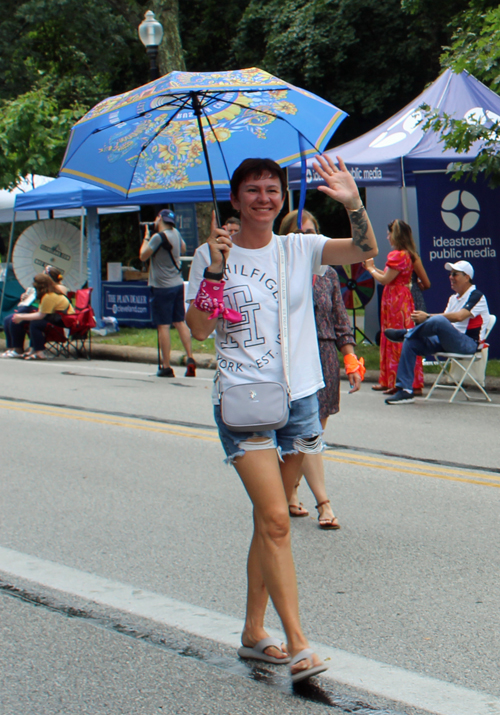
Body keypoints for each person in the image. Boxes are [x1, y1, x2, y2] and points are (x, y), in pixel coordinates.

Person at [186, 155, 377, 682]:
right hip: (245, 401)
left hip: (300, 401)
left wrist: (350, 200)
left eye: (273, 189)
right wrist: (217, 270)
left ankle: (253, 632)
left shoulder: (300, 248)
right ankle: (298, 644)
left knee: (267, 522)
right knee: (275, 519)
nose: (264, 198)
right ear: (235, 198)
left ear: (283, 198)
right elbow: (199, 328)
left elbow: (364, 250)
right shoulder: (209, 254)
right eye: (253, 189)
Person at [279, 209, 363, 530]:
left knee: (312, 436)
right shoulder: (281, 268)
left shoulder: (329, 273)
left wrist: (351, 360)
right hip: (296, 357)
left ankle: (290, 489)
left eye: (313, 231)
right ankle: (324, 502)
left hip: (325, 355)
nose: (307, 237)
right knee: (307, 433)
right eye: (300, 232)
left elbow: (341, 320)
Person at [384, 260, 490, 404]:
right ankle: (405, 391)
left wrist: (427, 316)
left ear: (467, 277)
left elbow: (459, 316)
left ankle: (408, 332)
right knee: (411, 342)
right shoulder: (453, 298)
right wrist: (429, 321)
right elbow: (442, 325)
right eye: (450, 274)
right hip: (447, 341)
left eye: (455, 274)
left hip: (468, 344)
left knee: (439, 320)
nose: (451, 277)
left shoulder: (477, 296)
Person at [364, 220, 430, 395]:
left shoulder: (397, 255)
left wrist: (370, 269)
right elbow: (423, 283)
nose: (387, 237)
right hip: (403, 298)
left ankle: (395, 381)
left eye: (389, 233)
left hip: (394, 300)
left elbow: (385, 280)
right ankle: (399, 381)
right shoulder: (410, 255)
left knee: (394, 338)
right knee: (401, 336)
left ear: (396, 235)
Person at [140, 209, 196, 378]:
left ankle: (166, 365)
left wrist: (146, 236)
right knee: (179, 321)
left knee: (163, 325)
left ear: (160, 219)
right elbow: (184, 248)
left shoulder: (159, 237)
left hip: (161, 286)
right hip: (177, 284)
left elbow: (143, 256)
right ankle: (190, 357)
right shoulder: (176, 233)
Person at [1, 265, 68, 358]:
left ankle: (35, 351)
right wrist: (26, 297)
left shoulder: (54, 292)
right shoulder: (47, 293)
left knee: (34, 323)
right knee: (9, 319)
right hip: (43, 312)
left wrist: (21, 317)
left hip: (56, 317)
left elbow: (42, 314)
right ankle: (15, 348)